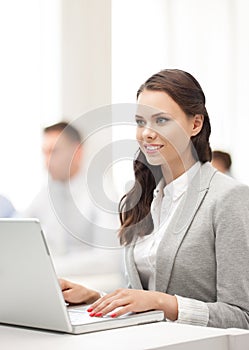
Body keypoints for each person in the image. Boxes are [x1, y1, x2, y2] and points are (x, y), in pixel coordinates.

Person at [59, 69, 249, 329]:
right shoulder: (145, 199)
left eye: (161, 121)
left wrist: (164, 303)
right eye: (140, 122)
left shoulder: (228, 198)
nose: (146, 133)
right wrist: (96, 298)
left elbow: (241, 316)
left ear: (196, 124)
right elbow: (145, 299)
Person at [23, 122, 123, 283]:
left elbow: (108, 260)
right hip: (58, 278)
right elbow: (19, 227)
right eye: (44, 153)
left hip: (95, 283)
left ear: (77, 152)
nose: (46, 162)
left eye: (53, 152)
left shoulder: (103, 192)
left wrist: (49, 266)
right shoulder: (48, 191)